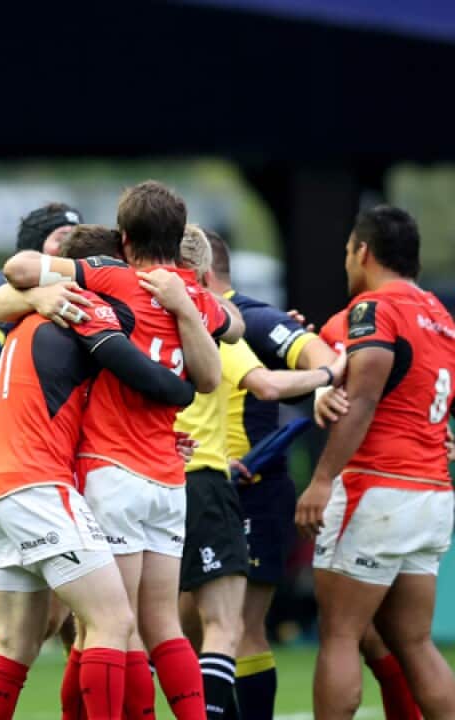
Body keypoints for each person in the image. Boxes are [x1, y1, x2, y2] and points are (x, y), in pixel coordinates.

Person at [0, 181, 242, 720]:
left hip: (113, 471)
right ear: (178, 238)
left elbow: (15, 271)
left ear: (124, 237)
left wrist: (41, 289)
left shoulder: (112, 279)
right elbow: (235, 329)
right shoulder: (194, 298)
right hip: (170, 479)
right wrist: (188, 301)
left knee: (108, 628)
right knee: (162, 625)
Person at [0, 226, 203, 720]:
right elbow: (156, 379)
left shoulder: (30, 315)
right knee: (112, 621)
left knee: (16, 642)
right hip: (37, 484)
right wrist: (184, 386)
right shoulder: (82, 315)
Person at [172, 227, 344, 720]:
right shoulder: (175, 317)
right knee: (183, 630)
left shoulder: (249, 317)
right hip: (186, 487)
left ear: (203, 273)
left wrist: (321, 382)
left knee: (238, 628)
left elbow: (320, 357)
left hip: (249, 492)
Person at [294, 206, 455, 720]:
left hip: (377, 488)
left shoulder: (373, 310)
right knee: (415, 643)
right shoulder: (440, 316)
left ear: (363, 252)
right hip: (431, 492)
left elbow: (362, 397)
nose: (346, 263)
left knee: (340, 635)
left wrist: (321, 480)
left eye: (347, 252)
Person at [0, 202, 84, 700]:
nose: (70, 247)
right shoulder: (4, 293)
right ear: (35, 246)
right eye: (61, 237)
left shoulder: (62, 291)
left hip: (38, 467)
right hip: (6, 468)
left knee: (70, 620)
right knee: (13, 620)